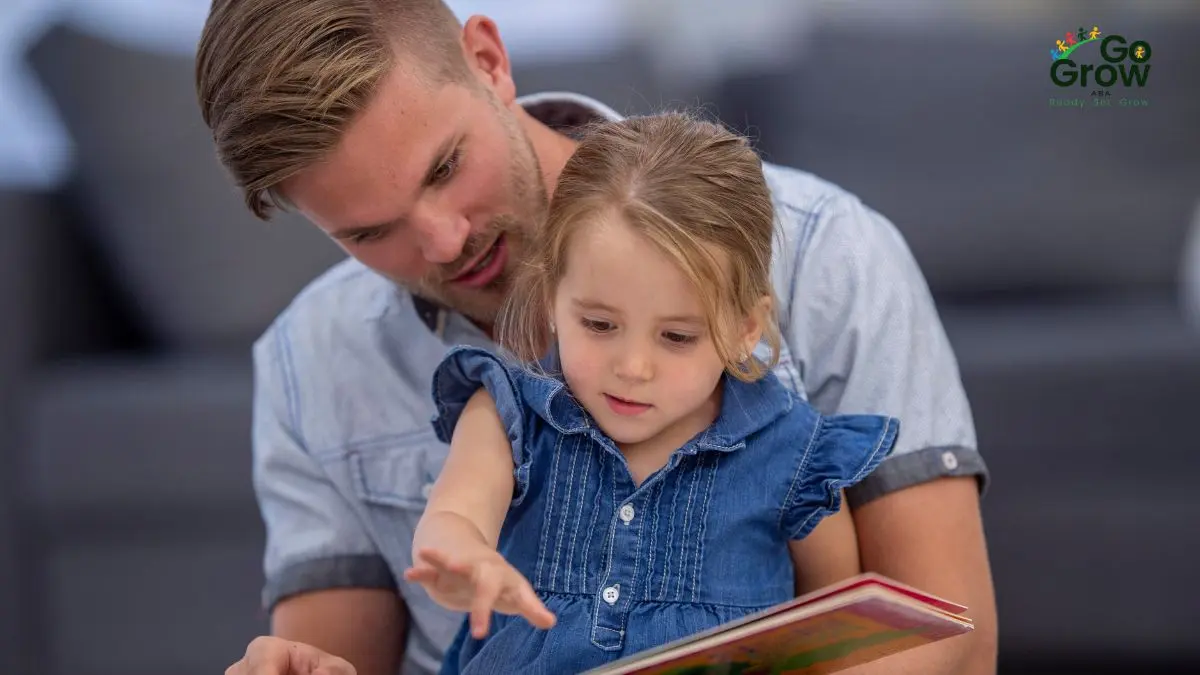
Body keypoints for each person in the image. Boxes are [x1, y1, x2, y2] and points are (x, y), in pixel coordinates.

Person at [197, 2, 998, 674]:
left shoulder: (827, 252)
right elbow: (337, 657)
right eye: (370, 231)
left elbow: (944, 640)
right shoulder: (311, 359)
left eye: (444, 169)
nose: (444, 244)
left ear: (487, 59)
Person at [404, 113, 900, 674]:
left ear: (745, 328)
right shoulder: (508, 414)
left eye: (677, 337)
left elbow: (832, 627)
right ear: (550, 299)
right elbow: (455, 513)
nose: (634, 367)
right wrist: (462, 556)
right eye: (598, 325)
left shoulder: (795, 456)